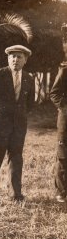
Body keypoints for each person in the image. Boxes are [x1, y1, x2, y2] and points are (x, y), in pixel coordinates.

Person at [0, 45, 35, 203]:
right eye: (12, 56)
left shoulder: (29, 78)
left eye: (19, 57)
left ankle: (15, 196)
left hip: (18, 126)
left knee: (16, 160)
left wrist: (18, 116)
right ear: (8, 58)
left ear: (25, 60)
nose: (15, 59)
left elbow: (30, 103)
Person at [49, 49, 67, 203]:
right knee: (63, 156)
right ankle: (61, 191)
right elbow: (54, 93)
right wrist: (65, 108)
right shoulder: (64, 69)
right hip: (66, 120)